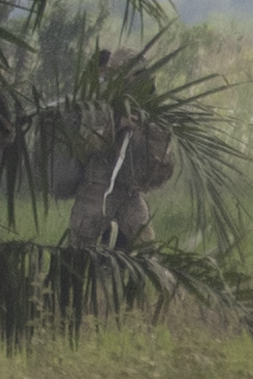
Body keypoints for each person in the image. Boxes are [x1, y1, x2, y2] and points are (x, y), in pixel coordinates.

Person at [54, 47, 177, 253]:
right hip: (97, 188)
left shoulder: (144, 105)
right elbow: (87, 142)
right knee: (80, 248)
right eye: (134, 75)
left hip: (128, 189)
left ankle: (141, 284)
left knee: (147, 246)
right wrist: (118, 125)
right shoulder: (100, 103)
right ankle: (72, 283)